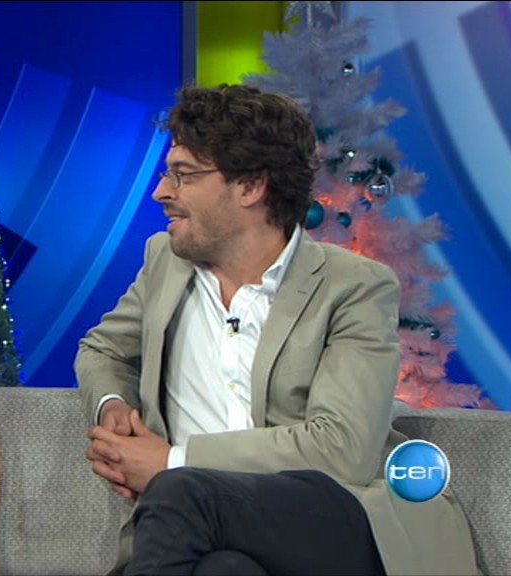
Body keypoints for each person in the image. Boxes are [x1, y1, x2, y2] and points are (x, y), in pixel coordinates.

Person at [75, 84, 478, 575]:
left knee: (182, 490)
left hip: (331, 521)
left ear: (250, 187)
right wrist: (112, 405)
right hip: (207, 532)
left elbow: (342, 450)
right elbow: (103, 350)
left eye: (184, 175)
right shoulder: (165, 262)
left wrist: (173, 460)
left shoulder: (353, 286)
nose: (161, 192)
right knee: (224, 570)